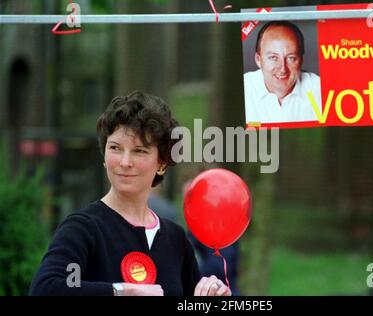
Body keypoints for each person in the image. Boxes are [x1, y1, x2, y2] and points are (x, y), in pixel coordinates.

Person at [29, 91, 231, 296]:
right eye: (115, 148)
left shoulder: (175, 239)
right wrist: (120, 291)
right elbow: (46, 288)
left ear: (161, 163)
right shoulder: (84, 228)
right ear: (105, 155)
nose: (125, 162)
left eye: (139, 151)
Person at [244, 21, 322, 124]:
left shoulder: (320, 90)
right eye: (273, 57)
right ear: (258, 60)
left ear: (301, 60)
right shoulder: (243, 88)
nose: (283, 69)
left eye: (291, 58)